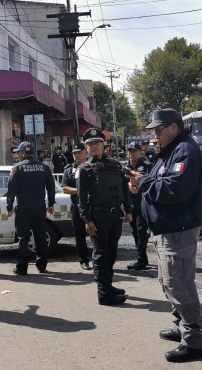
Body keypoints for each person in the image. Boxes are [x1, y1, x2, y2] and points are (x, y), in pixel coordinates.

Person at [131, 108, 202, 363]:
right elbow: (159, 183)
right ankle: (181, 327)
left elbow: (175, 189)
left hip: (179, 229)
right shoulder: (171, 151)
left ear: (174, 127)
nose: (155, 136)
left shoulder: (185, 150)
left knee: (179, 284)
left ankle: (192, 343)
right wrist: (143, 181)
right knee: (168, 282)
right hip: (167, 229)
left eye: (158, 130)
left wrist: (143, 183)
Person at [77, 127, 132, 305]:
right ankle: (104, 294)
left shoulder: (115, 165)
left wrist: (128, 210)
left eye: (97, 143)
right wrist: (87, 220)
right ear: (86, 148)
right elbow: (81, 198)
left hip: (115, 215)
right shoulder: (84, 169)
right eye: (90, 144)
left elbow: (124, 189)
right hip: (97, 217)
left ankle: (108, 285)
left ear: (104, 145)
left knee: (112, 253)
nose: (94, 146)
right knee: (100, 255)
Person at [6, 141, 56, 275]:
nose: (17, 155)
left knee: (23, 238)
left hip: (24, 208)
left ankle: (22, 268)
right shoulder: (44, 167)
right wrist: (51, 204)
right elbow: (51, 188)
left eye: (18, 153)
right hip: (40, 207)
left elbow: (11, 190)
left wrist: (9, 207)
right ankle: (42, 266)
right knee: (40, 237)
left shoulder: (17, 168)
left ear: (23, 153)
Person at [61, 142, 91, 270]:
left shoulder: (92, 166)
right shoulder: (69, 169)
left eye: (79, 153)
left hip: (92, 205)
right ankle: (84, 260)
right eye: (74, 153)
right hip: (77, 205)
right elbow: (65, 189)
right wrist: (82, 190)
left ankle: (100, 260)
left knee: (97, 234)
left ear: (86, 153)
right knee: (79, 235)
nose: (77, 155)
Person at [125, 142, 152, 270]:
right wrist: (129, 185)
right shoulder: (125, 167)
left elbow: (152, 181)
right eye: (129, 151)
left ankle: (141, 260)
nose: (131, 154)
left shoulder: (147, 166)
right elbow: (121, 183)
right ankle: (142, 258)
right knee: (135, 231)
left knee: (141, 230)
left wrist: (137, 185)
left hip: (143, 201)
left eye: (134, 151)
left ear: (140, 152)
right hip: (131, 203)